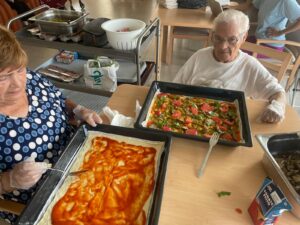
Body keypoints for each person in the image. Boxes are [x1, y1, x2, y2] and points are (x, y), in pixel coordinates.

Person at [0, 25, 102, 223]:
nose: (18, 83)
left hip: (82, 159)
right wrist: (8, 180)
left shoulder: (30, 78)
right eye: (3, 77)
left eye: (19, 70)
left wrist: (77, 109)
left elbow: (58, 98)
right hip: (47, 202)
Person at [173, 9, 286, 124]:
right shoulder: (199, 56)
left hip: (229, 125)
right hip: (192, 121)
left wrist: (276, 107)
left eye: (232, 40)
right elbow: (173, 89)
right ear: (212, 35)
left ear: (244, 37)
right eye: (218, 38)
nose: (223, 46)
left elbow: (278, 93)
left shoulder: (249, 65)